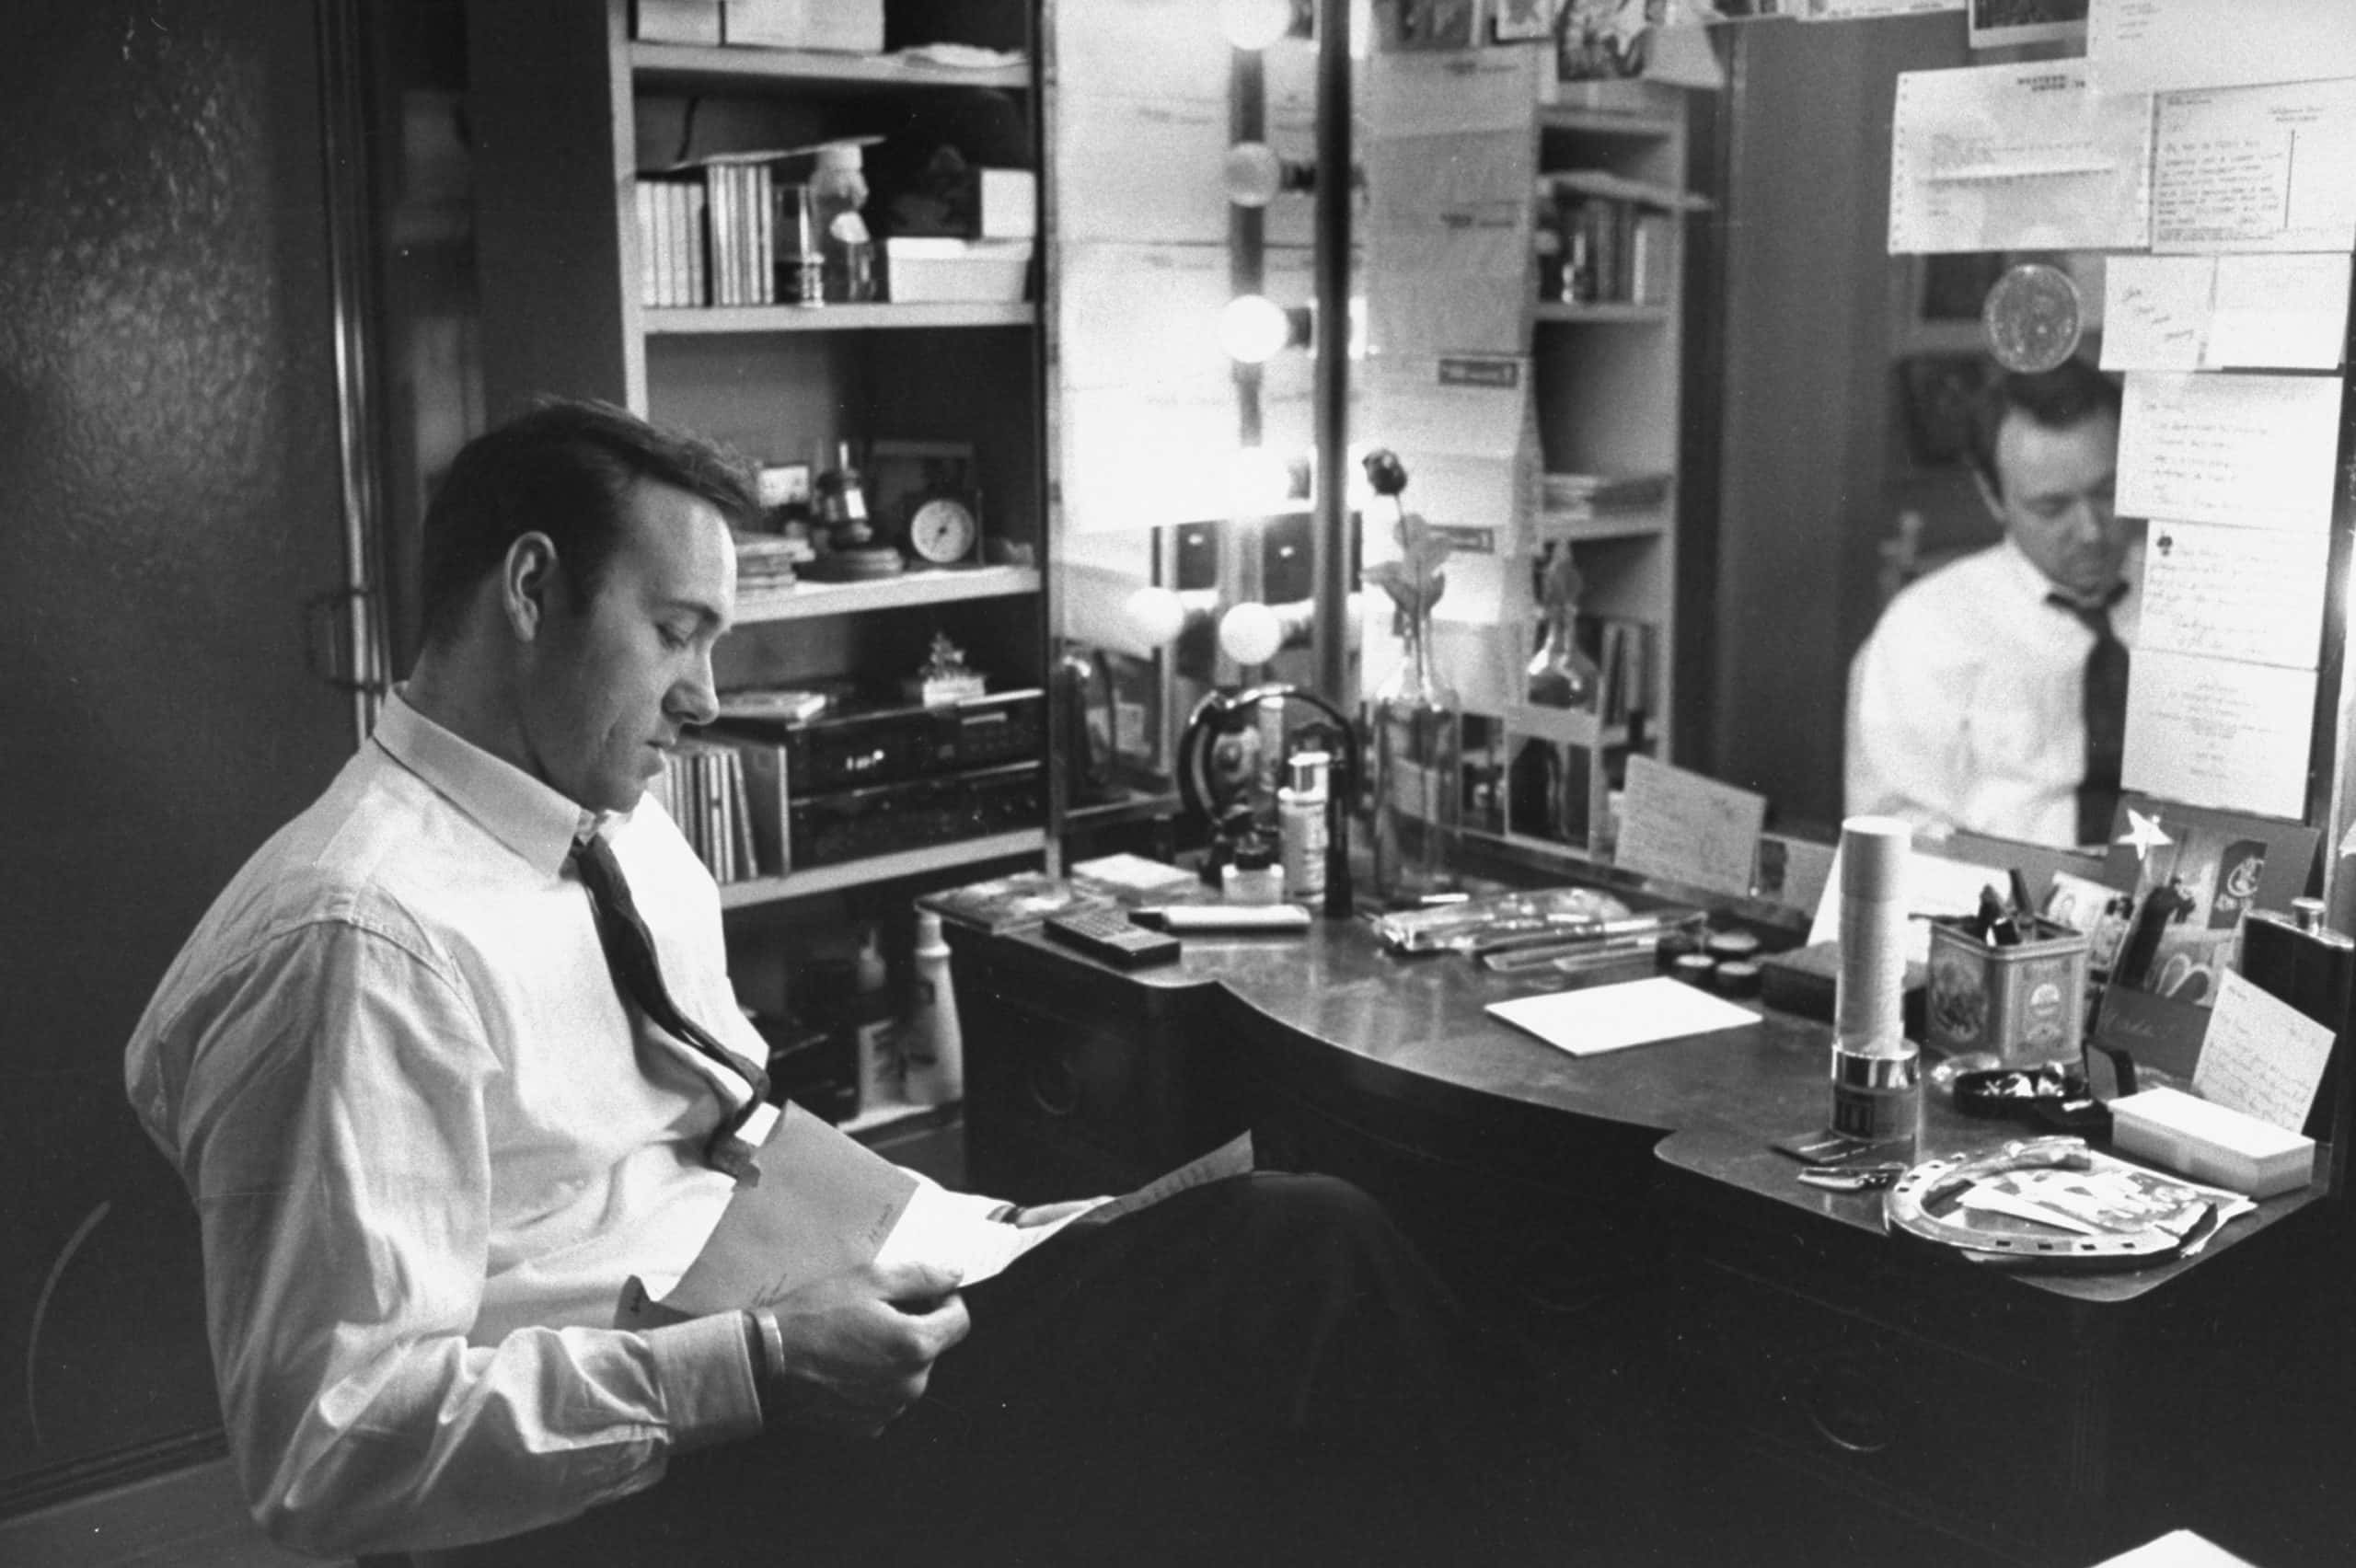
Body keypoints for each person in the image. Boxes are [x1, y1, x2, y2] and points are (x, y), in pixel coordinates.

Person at [124, 398, 1539, 1566]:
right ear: (533, 590)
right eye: (677, 633)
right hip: (649, 1484)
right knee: (1303, 1260)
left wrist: (978, 1231)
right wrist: (751, 1370)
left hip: (774, 1324)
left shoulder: (617, 822)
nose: (705, 696)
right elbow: (327, 1451)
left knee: (1254, 1260)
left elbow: (732, 1125)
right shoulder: (359, 941)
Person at [1845, 359, 2135, 847]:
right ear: (1992, 496)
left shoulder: (2197, 598)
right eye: (2051, 507)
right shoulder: (1925, 628)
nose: (2090, 530)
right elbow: (1895, 828)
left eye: (2108, 493)